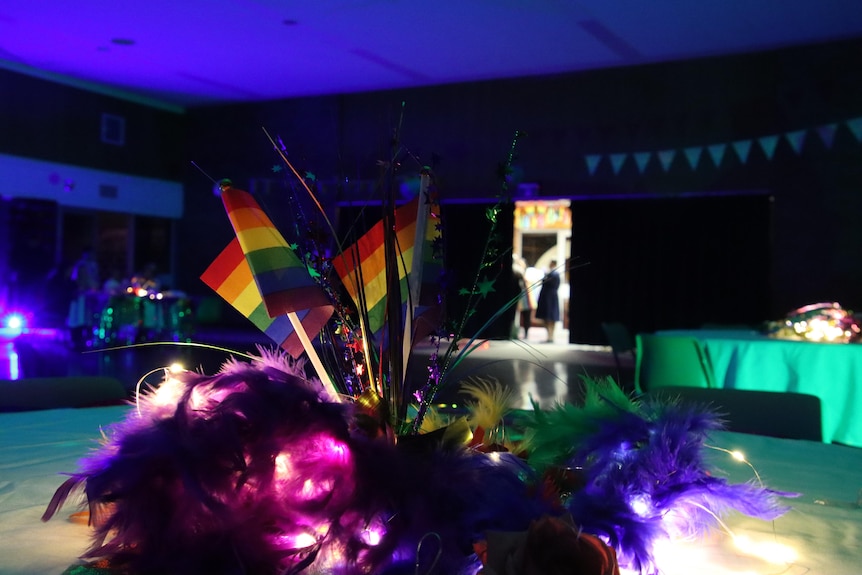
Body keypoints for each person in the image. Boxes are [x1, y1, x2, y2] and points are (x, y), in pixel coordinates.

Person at [534, 259, 561, 343]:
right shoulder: (554, 274)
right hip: (550, 297)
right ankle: (550, 335)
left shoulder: (552, 274)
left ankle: (550, 336)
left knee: (549, 317)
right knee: (549, 317)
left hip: (549, 298)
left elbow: (547, 283)